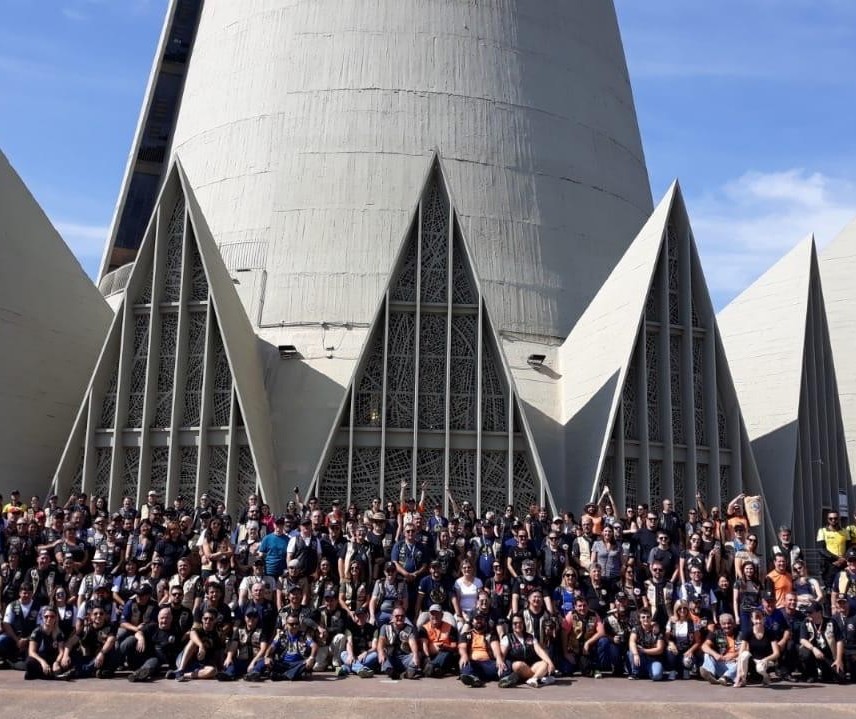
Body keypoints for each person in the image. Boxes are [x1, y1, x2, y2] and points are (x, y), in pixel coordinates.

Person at [498, 613, 556, 688]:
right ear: (512, 625)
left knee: (545, 663)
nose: (518, 625)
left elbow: (539, 650)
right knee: (518, 665)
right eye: (515, 623)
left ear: (523, 623)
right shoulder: (507, 638)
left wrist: (550, 662)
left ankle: (533, 679)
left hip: (531, 666)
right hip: (517, 667)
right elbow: (502, 654)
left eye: (520, 623)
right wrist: (500, 665)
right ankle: (539, 677)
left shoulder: (530, 637)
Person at [799, 600, 844, 683]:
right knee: (804, 652)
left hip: (828, 656)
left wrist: (838, 659)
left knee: (840, 677)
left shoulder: (831, 622)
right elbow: (802, 640)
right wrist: (813, 649)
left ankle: (825, 673)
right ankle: (811, 674)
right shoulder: (806, 622)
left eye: (810, 612)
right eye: (807, 612)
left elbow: (839, 641)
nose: (808, 615)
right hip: (814, 655)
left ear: (819, 612)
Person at [458, 611, 505, 687]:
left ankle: (505, 679)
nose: (479, 621)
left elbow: (495, 647)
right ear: (472, 622)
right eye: (477, 619)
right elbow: (462, 647)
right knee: (465, 666)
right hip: (473, 664)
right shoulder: (466, 635)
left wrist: (499, 658)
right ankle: (473, 679)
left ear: (485, 622)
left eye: (481, 619)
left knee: (505, 665)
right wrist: (464, 655)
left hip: (488, 663)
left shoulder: (491, 634)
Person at [24, 606, 72, 680]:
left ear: (55, 618)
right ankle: (54, 676)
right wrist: (43, 662)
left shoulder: (59, 633)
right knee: (29, 662)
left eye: (52, 616)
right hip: (40, 659)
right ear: (43, 618)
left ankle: (46, 674)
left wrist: (56, 662)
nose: (49, 619)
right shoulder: (37, 632)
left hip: (52, 659)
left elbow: (61, 652)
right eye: (46, 616)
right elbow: (31, 652)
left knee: (67, 662)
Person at [734, 609, 779, 687]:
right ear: (752, 620)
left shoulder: (770, 633)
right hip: (753, 660)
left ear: (764, 619)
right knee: (744, 654)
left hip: (766, 661)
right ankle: (743, 680)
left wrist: (766, 659)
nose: (758, 621)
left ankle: (766, 676)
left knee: (760, 669)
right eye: (756, 619)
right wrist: (738, 675)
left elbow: (776, 653)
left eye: (760, 618)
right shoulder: (747, 632)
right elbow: (740, 654)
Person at [377, 607, 420, 679]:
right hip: (391, 657)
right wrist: (380, 653)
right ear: (392, 617)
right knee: (383, 655)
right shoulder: (385, 627)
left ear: (405, 617)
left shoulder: (410, 628)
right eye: (397, 616)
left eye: (402, 616)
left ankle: (408, 674)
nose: (400, 618)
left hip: (405, 658)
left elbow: (412, 642)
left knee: (417, 655)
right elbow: (381, 641)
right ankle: (391, 672)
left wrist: (415, 655)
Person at [419, 603, 459, 677]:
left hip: (445, 654)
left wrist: (446, 647)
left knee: (448, 654)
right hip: (430, 656)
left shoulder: (450, 628)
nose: (434, 616)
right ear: (429, 615)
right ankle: (436, 669)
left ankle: (432, 668)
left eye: (437, 613)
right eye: (432, 614)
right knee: (423, 658)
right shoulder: (423, 628)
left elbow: (454, 646)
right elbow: (424, 646)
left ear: (442, 615)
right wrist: (428, 658)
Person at [700, 613, 740, 685]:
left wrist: (734, 655)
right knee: (707, 654)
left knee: (742, 660)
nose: (727, 626)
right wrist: (715, 654)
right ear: (720, 625)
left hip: (735, 666)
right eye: (724, 624)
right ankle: (710, 674)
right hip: (722, 664)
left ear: (733, 624)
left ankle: (726, 677)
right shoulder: (716, 633)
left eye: (729, 623)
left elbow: (747, 649)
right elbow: (704, 646)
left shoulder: (740, 634)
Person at [627, 607, 666, 681]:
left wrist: (643, 650)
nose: (646, 619)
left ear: (651, 618)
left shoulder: (657, 631)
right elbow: (631, 641)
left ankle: (646, 672)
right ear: (640, 619)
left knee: (657, 676)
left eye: (648, 617)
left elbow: (660, 649)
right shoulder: (636, 629)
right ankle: (635, 673)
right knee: (632, 650)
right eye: (643, 617)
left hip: (654, 659)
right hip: (640, 658)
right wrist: (636, 654)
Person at [817, 510, 849, 589]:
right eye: (830, 518)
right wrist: (837, 558)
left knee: (844, 588)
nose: (833, 520)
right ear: (827, 520)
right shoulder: (822, 531)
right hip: (829, 565)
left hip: (843, 564)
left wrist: (843, 559)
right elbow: (821, 549)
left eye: (835, 518)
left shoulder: (845, 531)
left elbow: (849, 547)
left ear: (839, 519)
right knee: (829, 589)